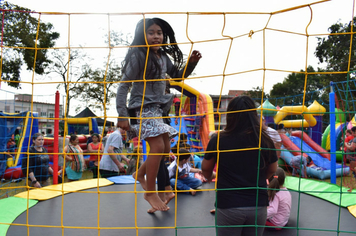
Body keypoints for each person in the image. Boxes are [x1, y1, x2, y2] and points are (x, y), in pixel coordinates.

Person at [116, 17, 201, 212]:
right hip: (141, 108)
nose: (156, 36)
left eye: (159, 33)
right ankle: (151, 192)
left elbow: (178, 77)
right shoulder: (138, 56)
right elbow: (123, 87)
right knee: (157, 146)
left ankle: (139, 174)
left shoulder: (163, 57)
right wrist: (122, 115)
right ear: (142, 36)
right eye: (151, 32)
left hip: (157, 108)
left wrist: (191, 63)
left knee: (164, 148)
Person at [202, 95, 278, 236]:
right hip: (257, 204)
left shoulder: (219, 139)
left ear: (230, 115)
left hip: (229, 204)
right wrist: (258, 178)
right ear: (254, 115)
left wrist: (209, 177)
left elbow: (206, 168)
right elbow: (273, 169)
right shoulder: (264, 140)